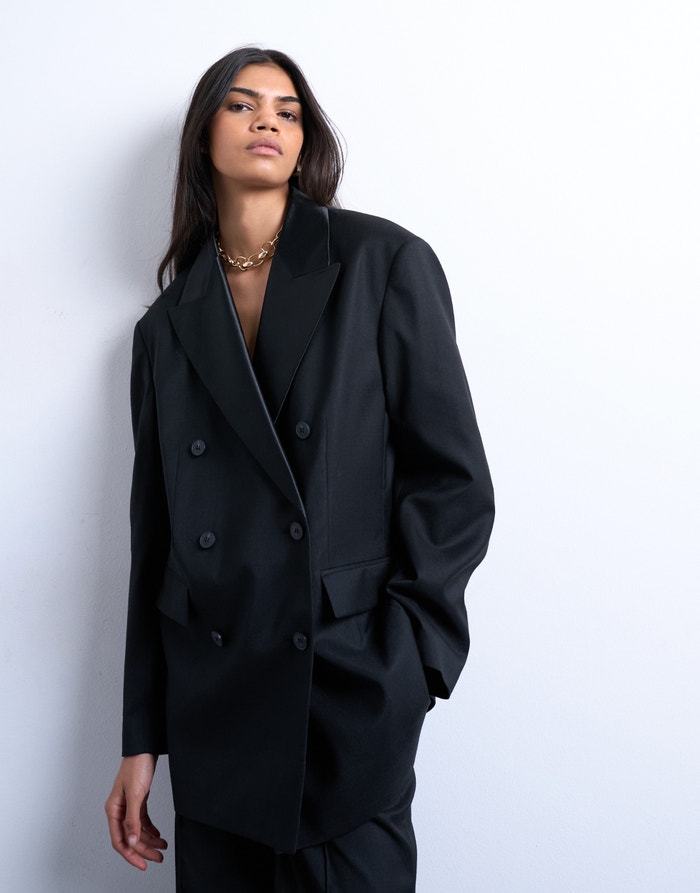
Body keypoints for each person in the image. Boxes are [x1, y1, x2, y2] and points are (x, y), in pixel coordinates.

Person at [105, 45, 495, 892]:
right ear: (204, 136)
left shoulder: (382, 263)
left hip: (346, 694)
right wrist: (142, 737)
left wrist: (412, 658)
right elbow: (156, 541)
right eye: (242, 104)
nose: (268, 122)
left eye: (288, 111)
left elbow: (453, 482)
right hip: (216, 716)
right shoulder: (165, 328)